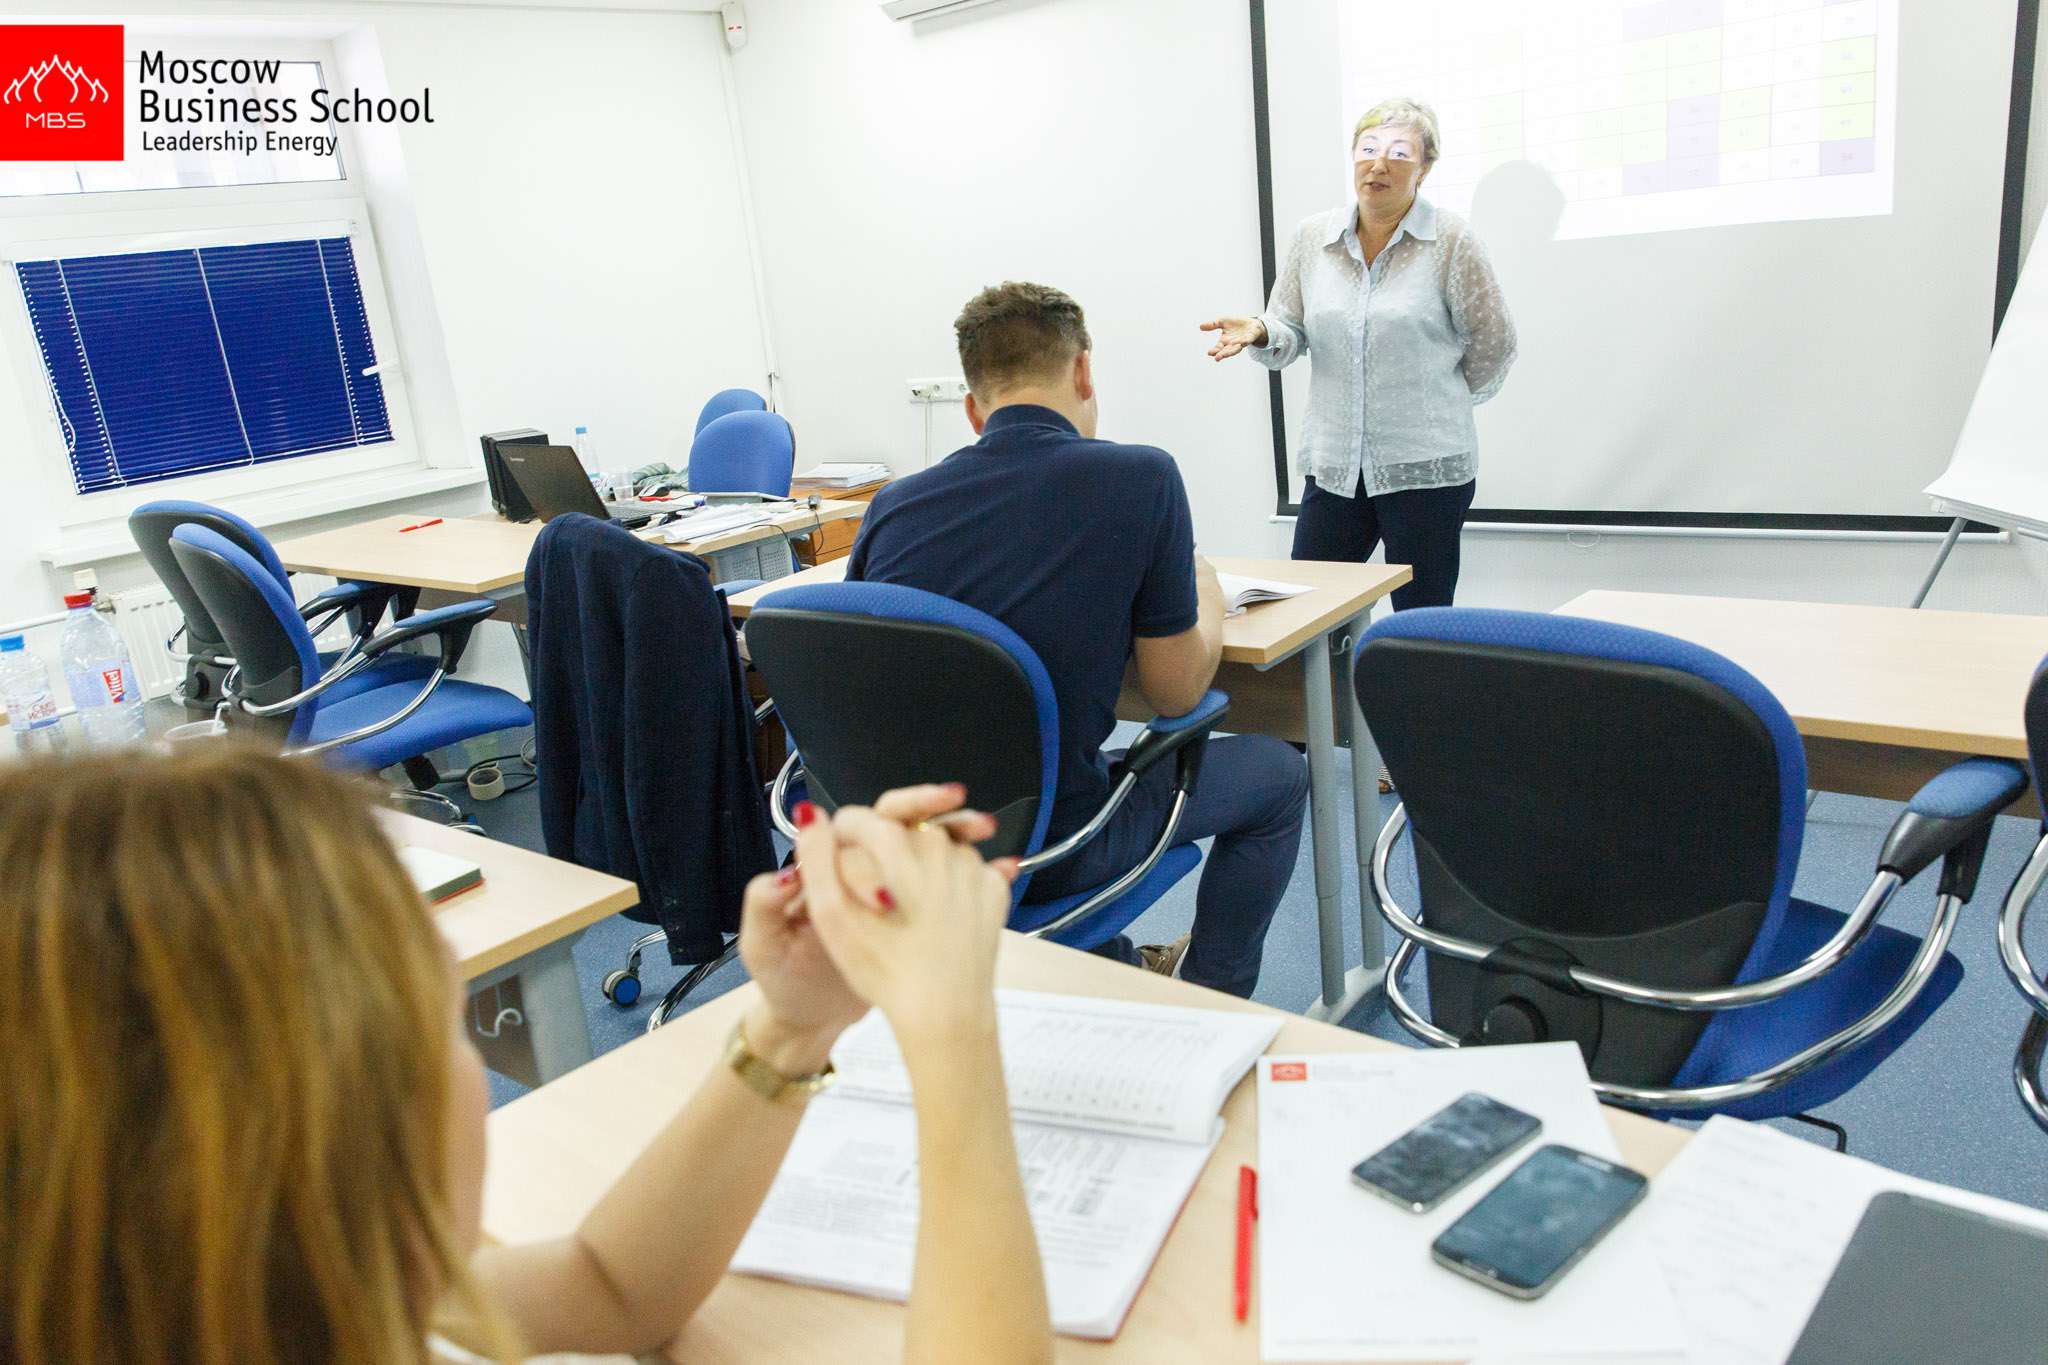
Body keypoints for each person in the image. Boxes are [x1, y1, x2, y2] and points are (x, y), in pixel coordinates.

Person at [0, 746, 1052, 1365]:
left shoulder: (299, 1308)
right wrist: (951, 1032)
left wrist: (793, 1025)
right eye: (437, 1018)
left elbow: (608, 1286)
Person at [845, 281, 1309, 998]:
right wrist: (1207, 590)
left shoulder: (892, 506)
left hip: (915, 846)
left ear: (972, 409)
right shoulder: (1141, 476)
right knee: (1278, 772)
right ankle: (1210, 995)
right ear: (1085, 371)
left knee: (1058, 763)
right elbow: (1176, 692)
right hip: (1053, 847)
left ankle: (1118, 969)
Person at [1202, 96, 1517, 613]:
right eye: (1368, 149)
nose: (1379, 164)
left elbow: (1494, 341)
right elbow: (1290, 327)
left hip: (1425, 467)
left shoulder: (1451, 240)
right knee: (1305, 611)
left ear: (1424, 168)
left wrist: (1438, 397)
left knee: (1420, 618)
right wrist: (1261, 331)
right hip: (1335, 464)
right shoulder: (1314, 238)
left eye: (1399, 153)